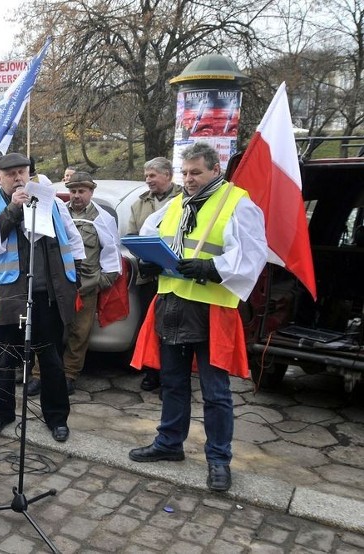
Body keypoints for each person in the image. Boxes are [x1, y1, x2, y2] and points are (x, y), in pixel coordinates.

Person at [128, 142, 267, 492]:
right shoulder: (176, 204)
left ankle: (219, 460)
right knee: (173, 383)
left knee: (216, 392)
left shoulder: (238, 204)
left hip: (210, 310)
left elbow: (252, 255)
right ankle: (169, 443)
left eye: (196, 173)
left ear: (214, 171)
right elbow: (149, 238)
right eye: (185, 173)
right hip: (171, 303)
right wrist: (146, 260)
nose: (189, 179)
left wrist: (212, 268)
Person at [0, 153, 85, 443]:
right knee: (6, 359)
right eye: (10, 174)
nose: (18, 178)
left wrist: (75, 278)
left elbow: (72, 240)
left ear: (30, 174)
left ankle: (57, 418)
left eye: (22, 172)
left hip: (47, 294)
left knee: (50, 360)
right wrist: (12, 210)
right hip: (9, 294)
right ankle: (2, 413)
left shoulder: (53, 203)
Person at [27, 171, 121, 396]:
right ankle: (40, 375)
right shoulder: (57, 212)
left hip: (86, 287)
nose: (77, 196)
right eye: (73, 191)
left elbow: (112, 255)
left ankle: (69, 374)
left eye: (82, 191)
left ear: (91, 192)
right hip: (60, 285)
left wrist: (100, 281)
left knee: (79, 333)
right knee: (50, 331)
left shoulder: (102, 218)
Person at [128, 157, 183, 391]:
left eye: (152, 175)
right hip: (149, 276)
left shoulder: (184, 199)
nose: (147, 180)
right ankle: (151, 372)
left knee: (174, 328)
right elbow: (132, 236)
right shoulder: (138, 204)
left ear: (168, 175)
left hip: (176, 276)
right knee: (150, 326)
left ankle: (172, 377)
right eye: (146, 175)